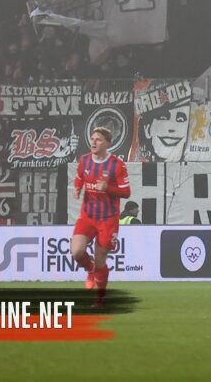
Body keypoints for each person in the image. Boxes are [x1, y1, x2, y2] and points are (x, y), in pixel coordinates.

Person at [71, 127, 131, 305]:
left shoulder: (117, 164)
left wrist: (108, 188)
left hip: (108, 219)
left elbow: (127, 192)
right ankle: (89, 269)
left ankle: (100, 299)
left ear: (107, 143)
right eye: (92, 138)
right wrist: (77, 187)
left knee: (100, 260)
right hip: (87, 215)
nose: (93, 142)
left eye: (98, 139)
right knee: (76, 251)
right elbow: (79, 177)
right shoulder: (84, 160)